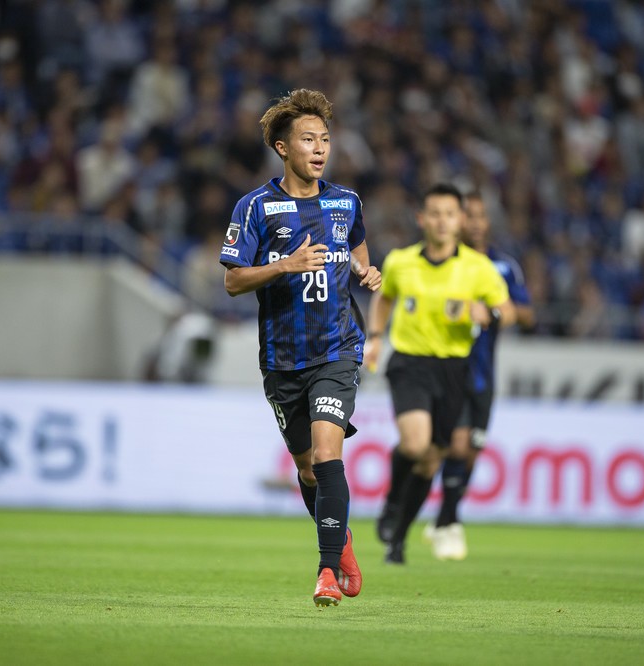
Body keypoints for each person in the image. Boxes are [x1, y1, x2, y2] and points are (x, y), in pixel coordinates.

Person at [219, 89, 381, 607]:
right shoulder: (256, 208)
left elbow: (355, 240)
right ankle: (342, 542)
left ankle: (327, 571)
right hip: (282, 359)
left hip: (338, 350)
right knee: (308, 468)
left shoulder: (345, 201)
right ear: (283, 148)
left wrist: (361, 266)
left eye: (325, 139)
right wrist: (285, 265)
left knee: (329, 454)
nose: (320, 148)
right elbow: (233, 282)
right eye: (308, 140)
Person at [364, 183, 515, 564]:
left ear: (461, 220)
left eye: (450, 214)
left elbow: (507, 311)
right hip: (411, 363)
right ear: (421, 219)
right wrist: (376, 336)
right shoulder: (401, 261)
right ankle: (392, 503)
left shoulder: (478, 268)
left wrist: (490, 314)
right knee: (415, 444)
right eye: (435, 213)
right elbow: (384, 298)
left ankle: (398, 537)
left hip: (453, 369)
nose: (442, 221)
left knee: (431, 460)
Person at [424, 192, 534, 560]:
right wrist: (460, 308)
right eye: (466, 215)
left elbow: (525, 314)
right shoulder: (443, 261)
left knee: (471, 451)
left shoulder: (503, 265)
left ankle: (444, 519)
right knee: (453, 446)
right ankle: (447, 523)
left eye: (479, 216)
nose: (473, 222)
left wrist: (493, 312)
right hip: (449, 368)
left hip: (485, 373)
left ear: (486, 222)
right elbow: (429, 303)